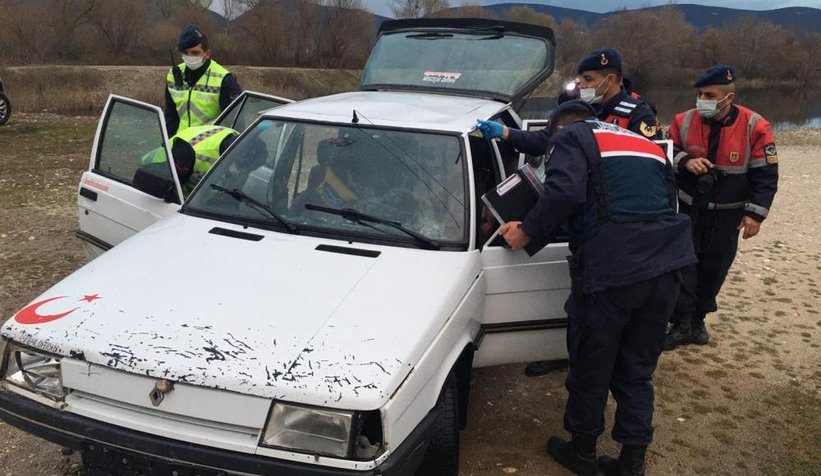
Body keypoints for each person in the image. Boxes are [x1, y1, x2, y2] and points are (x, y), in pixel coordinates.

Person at [497, 100, 696, 475]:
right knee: (637, 369)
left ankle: (583, 453)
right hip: (668, 266)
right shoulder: (645, 144)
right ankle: (631, 462)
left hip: (613, 273)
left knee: (592, 365)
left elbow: (567, 193)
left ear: (559, 129)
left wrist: (527, 230)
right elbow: (655, 202)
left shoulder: (570, 138)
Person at [663, 65, 778, 350]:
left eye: (710, 94)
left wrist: (754, 214)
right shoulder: (683, 120)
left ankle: (698, 319)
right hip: (688, 208)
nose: (702, 99)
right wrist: (685, 160)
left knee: (715, 268)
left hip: (729, 213)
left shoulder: (756, 126)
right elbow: (662, 151)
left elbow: (765, 175)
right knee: (683, 265)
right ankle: (682, 323)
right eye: (700, 94)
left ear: (729, 98)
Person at [476, 47, 661, 157]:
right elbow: (545, 141)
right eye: (581, 79)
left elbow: (646, 163)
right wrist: (506, 132)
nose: (582, 85)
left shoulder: (638, 114)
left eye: (588, 79)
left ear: (610, 80)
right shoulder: (576, 110)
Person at [164, 25, 242, 136]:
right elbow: (170, 119)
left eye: (195, 53)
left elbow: (235, 126)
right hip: (180, 145)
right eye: (185, 53)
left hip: (210, 148)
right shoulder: (173, 76)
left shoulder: (224, 80)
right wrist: (169, 145)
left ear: (207, 54)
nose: (190, 57)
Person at [140, 125, 239, 196]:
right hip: (155, 169)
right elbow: (174, 193)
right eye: (240, 168)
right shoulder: (193, 153)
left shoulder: (241, 140)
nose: (242, 173)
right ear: (232, 159)